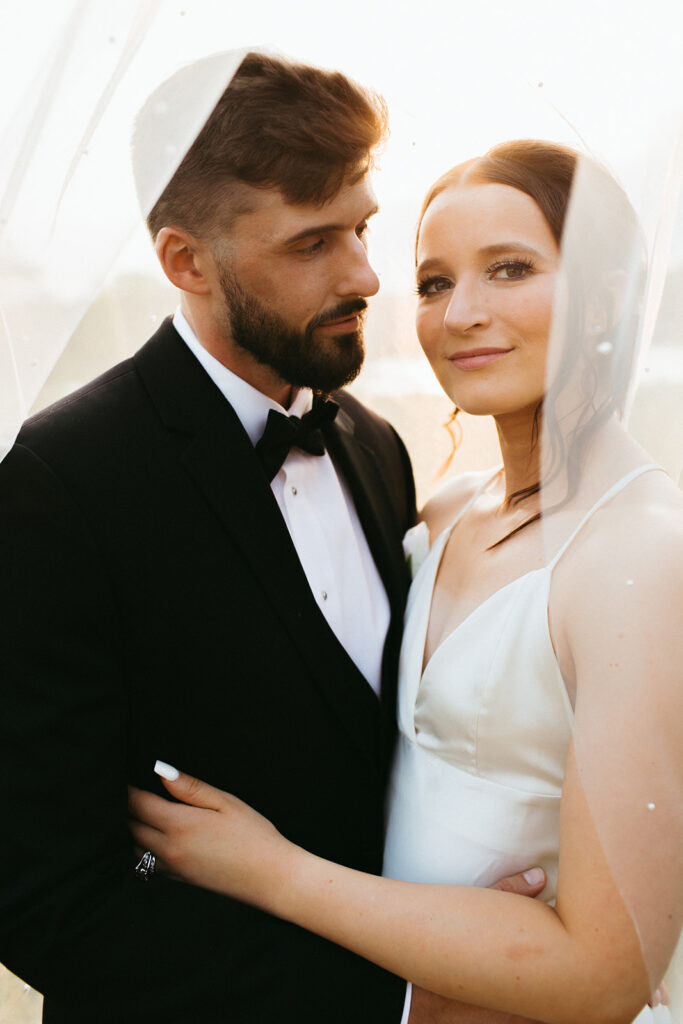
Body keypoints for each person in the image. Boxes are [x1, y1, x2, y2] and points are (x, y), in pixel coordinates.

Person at [0, 54, 543, 1024]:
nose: (365, 274)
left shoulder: (373, 446)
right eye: (310, 244)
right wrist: (404, 998)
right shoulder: (59, 481)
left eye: (364, 228)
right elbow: (48, 898)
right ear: (184, 261)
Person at [129, 140, 683, 1023]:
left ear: (607, 292)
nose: (462, 312)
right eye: (433, 282)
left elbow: (605, 973)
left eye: (509, 269)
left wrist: (273, 871)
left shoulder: (643, 558)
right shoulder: (447, 509)